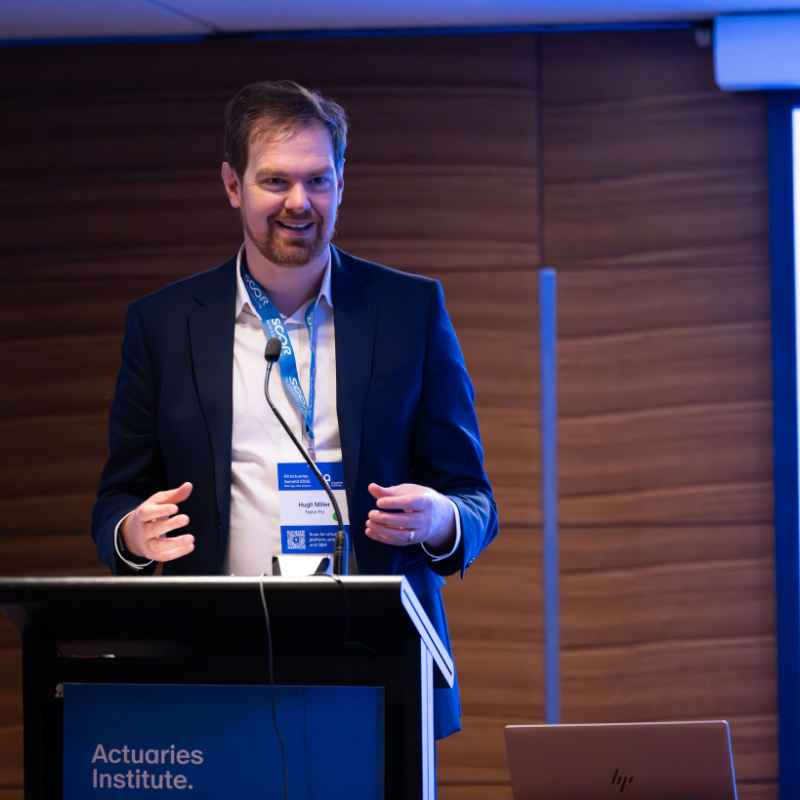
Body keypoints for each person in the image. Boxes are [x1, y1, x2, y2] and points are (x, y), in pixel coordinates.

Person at [91, 80, 498, 740]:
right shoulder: (163, 325)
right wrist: (133, 537)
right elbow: (118, 500)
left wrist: (441, 518)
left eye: (318, 180)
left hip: (379, 663)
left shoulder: (409, 311)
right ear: (233, 184)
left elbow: (474, 499)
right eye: (275, 181)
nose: (298, 203)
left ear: (342, 183)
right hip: (217, 664)